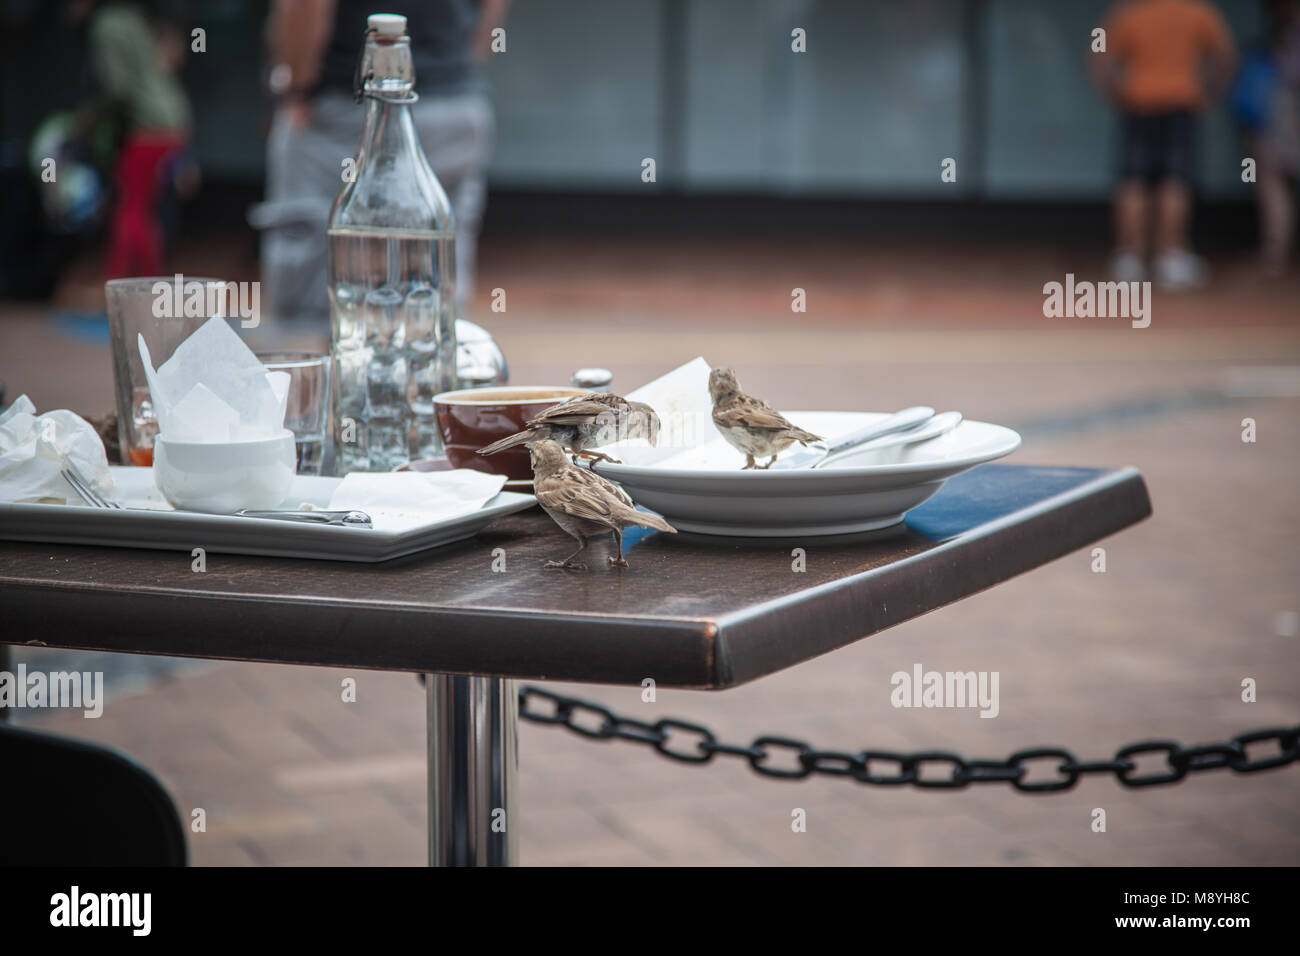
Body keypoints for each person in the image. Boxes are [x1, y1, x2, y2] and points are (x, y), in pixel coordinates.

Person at [256, 0, 508, 328]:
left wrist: (297, 89)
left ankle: (319, 377)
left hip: (339, 111)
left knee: (313, 310)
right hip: (454, 106)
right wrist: (458, 68)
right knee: (435, 305)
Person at [1091, 0, 1237, 289]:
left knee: (1133, 179)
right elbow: (1225, 58)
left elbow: (1100, 57)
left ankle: (1129, 259)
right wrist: (1210, 93)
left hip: (1138, 104)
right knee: (1175, 179)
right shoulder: (1197, 12)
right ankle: (1169, 257)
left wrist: (1116, 94)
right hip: (1181, 103)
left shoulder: (1129, 13)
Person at [87, 1, 199, 278]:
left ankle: (122, 284)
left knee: (131, 209)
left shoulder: (108, 22)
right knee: (146, 210)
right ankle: (149, 284)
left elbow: (119, 88)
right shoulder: (133, 18)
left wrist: (90, 119)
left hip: (150, 127)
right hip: (173, 120)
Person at [1235, 0, 1300, 275]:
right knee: (1271, 178)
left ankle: (1274, 254)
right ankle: (1274, 253)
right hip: (1280, 116)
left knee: (1271, 178)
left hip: (1286, 114)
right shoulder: (1279, 34)